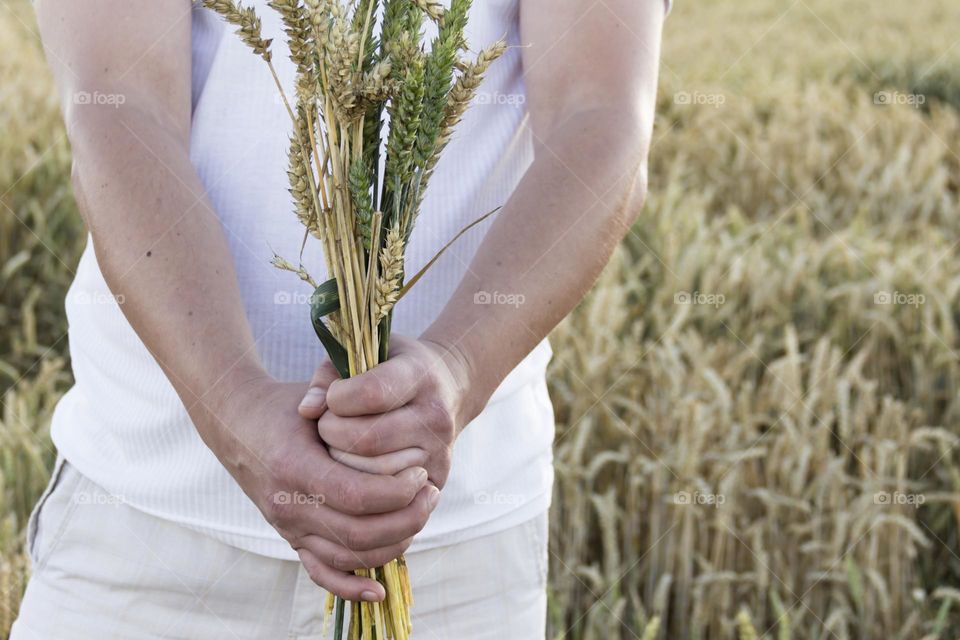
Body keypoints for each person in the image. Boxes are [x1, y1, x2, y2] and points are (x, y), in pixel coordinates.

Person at [12, 0, 668, 637]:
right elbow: (118, 105)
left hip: (453, 542)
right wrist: (230, 403)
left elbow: (601, 115)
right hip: (147, 523)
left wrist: (460, 368)